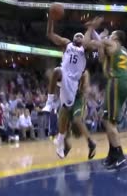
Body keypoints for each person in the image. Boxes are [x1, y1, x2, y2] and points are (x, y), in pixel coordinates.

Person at [41, 13, 98, 159]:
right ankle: (64, 142)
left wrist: (91, 29)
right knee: (62, 121)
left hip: (77, 95)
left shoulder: (84, 51)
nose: (79, 37)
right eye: (77, 35)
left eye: (81, 36)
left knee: (76, 122)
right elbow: (50, 34)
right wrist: (50, 19)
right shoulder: (66, 44)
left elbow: (87, 43)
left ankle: (90, 142)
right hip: (66, 84)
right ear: (72, 38)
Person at [84, 25, 127, 170]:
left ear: (116, 37)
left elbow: (89, 43)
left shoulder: (114, 43)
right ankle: (112, 155)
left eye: (112, 34)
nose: (110, 35)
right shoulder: (119, 50)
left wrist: (92, 30)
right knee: (108, 121)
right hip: (122, 83)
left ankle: (120, 157)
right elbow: (101, 58)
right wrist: (100, 38)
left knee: (108, 121)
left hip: (116, 82)